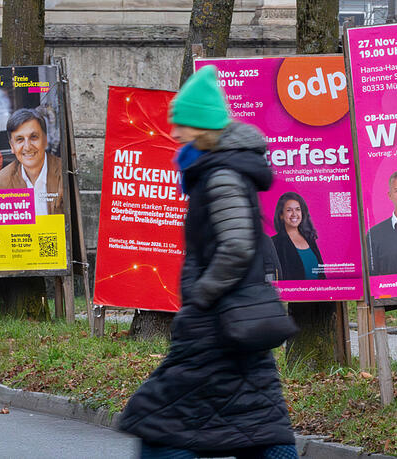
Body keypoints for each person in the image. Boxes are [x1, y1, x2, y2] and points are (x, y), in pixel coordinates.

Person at [119, 66, 298, 459]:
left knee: (161, 425)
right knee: (256, 416)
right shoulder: (218, 168)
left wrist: (202, 294)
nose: (175, 131)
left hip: (217, 319)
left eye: (181, 123)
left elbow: (236, 247)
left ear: (201, 124)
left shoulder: (220, 175)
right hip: (237, 317)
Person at [0, 108, 63, 216]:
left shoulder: (64, 172)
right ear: (12, 146)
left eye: (34, 137)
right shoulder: (4, 179)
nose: (27, 147)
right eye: (20, 139)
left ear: (45, 140)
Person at [271, 192, 325, 280]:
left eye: (297, 209)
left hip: (318, 292)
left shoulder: (310, 239)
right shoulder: (275, 243)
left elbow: (321, 274)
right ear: (281, 215)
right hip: (292, 293)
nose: (294, 214)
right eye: (289, 210)